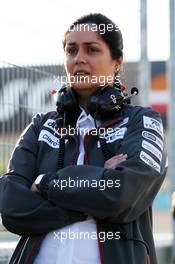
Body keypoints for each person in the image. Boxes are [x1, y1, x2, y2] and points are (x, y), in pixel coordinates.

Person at [0, 13, 168, 264]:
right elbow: (12, 207)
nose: (79, 58)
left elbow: (123, 195)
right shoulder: (40, 126)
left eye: (91, 50)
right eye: (72, 50)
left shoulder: (142, 121)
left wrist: (46, 183)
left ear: (117, 62)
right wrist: (97, 182)